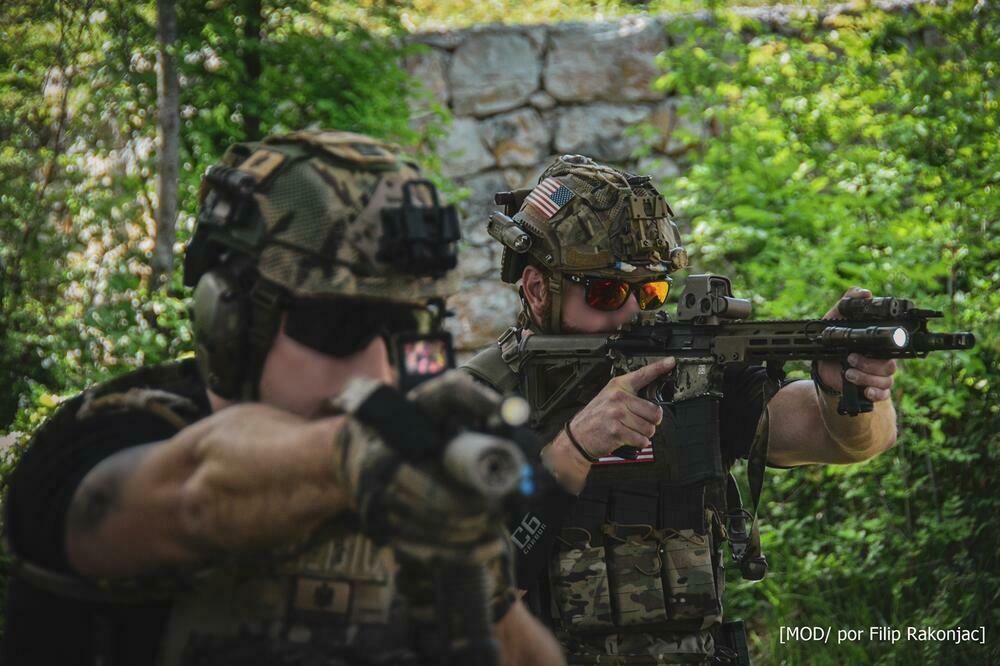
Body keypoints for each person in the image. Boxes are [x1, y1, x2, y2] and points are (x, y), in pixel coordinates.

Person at [1, 130, 564, 666]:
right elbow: (201, 486)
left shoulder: (405, 470)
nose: (377, 368)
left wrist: (465, 562)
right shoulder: (101, 438)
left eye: (407, 327)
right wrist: (360, 457)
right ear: (229, 317)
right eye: (338, 326)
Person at [462, 155, 898, 665]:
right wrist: (572, 450)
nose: (633, 313)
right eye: (607, 292)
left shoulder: (690, 376)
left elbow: (842, 441)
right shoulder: (478, 401)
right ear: (538, 290)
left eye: (650, 291)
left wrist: (847, 389)